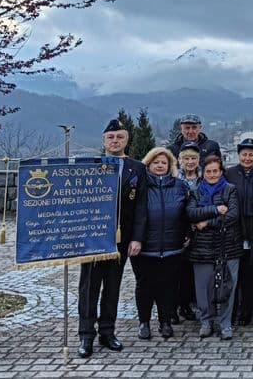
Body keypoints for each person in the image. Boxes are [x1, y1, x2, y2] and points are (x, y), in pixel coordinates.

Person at [77, 119, 146, 358]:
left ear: (126, 140)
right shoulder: (90, 166)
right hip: (93, 237)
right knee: (89, 287)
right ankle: (86, 335)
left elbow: (141, 207)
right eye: (111, 137)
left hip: (121, 238)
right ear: (103, 140)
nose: (115, 141)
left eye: (120, 137)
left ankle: (107, 332)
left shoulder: (136, 168)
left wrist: (136, 238)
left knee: (113, 287)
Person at [129, 147, 190, 340]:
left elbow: (188, 212)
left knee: (168, 287)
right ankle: (144, 323)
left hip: (172, 246)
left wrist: (187, 233)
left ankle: (165, 322)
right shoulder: (139, 186)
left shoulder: (180, 186)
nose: (160, 166)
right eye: (156, 162)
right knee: (145, 286)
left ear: (170, 165)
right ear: (148, 164)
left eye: (164, 163)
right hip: (145, 247)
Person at [186, 156, 242, 340]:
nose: (211, 174)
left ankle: (225, 324)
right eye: (208, 171)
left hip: (227, 246)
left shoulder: (230, 190)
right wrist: (216, 209)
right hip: (201, 247)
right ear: (203, 173)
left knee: (228, 286)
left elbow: (233, 215)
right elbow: (191, 213)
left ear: (221, 172)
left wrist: (207, 223)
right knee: (203, 288)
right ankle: (206, 322)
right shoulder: (195, 192)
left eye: (215, 171)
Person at [226, 137, 253, 326]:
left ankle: (247, 310)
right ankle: (231, 310)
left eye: (251, 154)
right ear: (238, 155)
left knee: (252, 272)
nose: (247, 158)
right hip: (235, 227)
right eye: (244, 154)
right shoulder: (229, 174)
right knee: (233, 273)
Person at [175, 141, 202, 323]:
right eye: (186, 158)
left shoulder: (206, 177)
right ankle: (176, 306)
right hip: (180, 230)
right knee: (179, 271)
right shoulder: (174, 179)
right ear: (179, 160)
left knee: (194, 270)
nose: (190, 162)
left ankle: (190, 303)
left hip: (201, 229)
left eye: (193, 158)